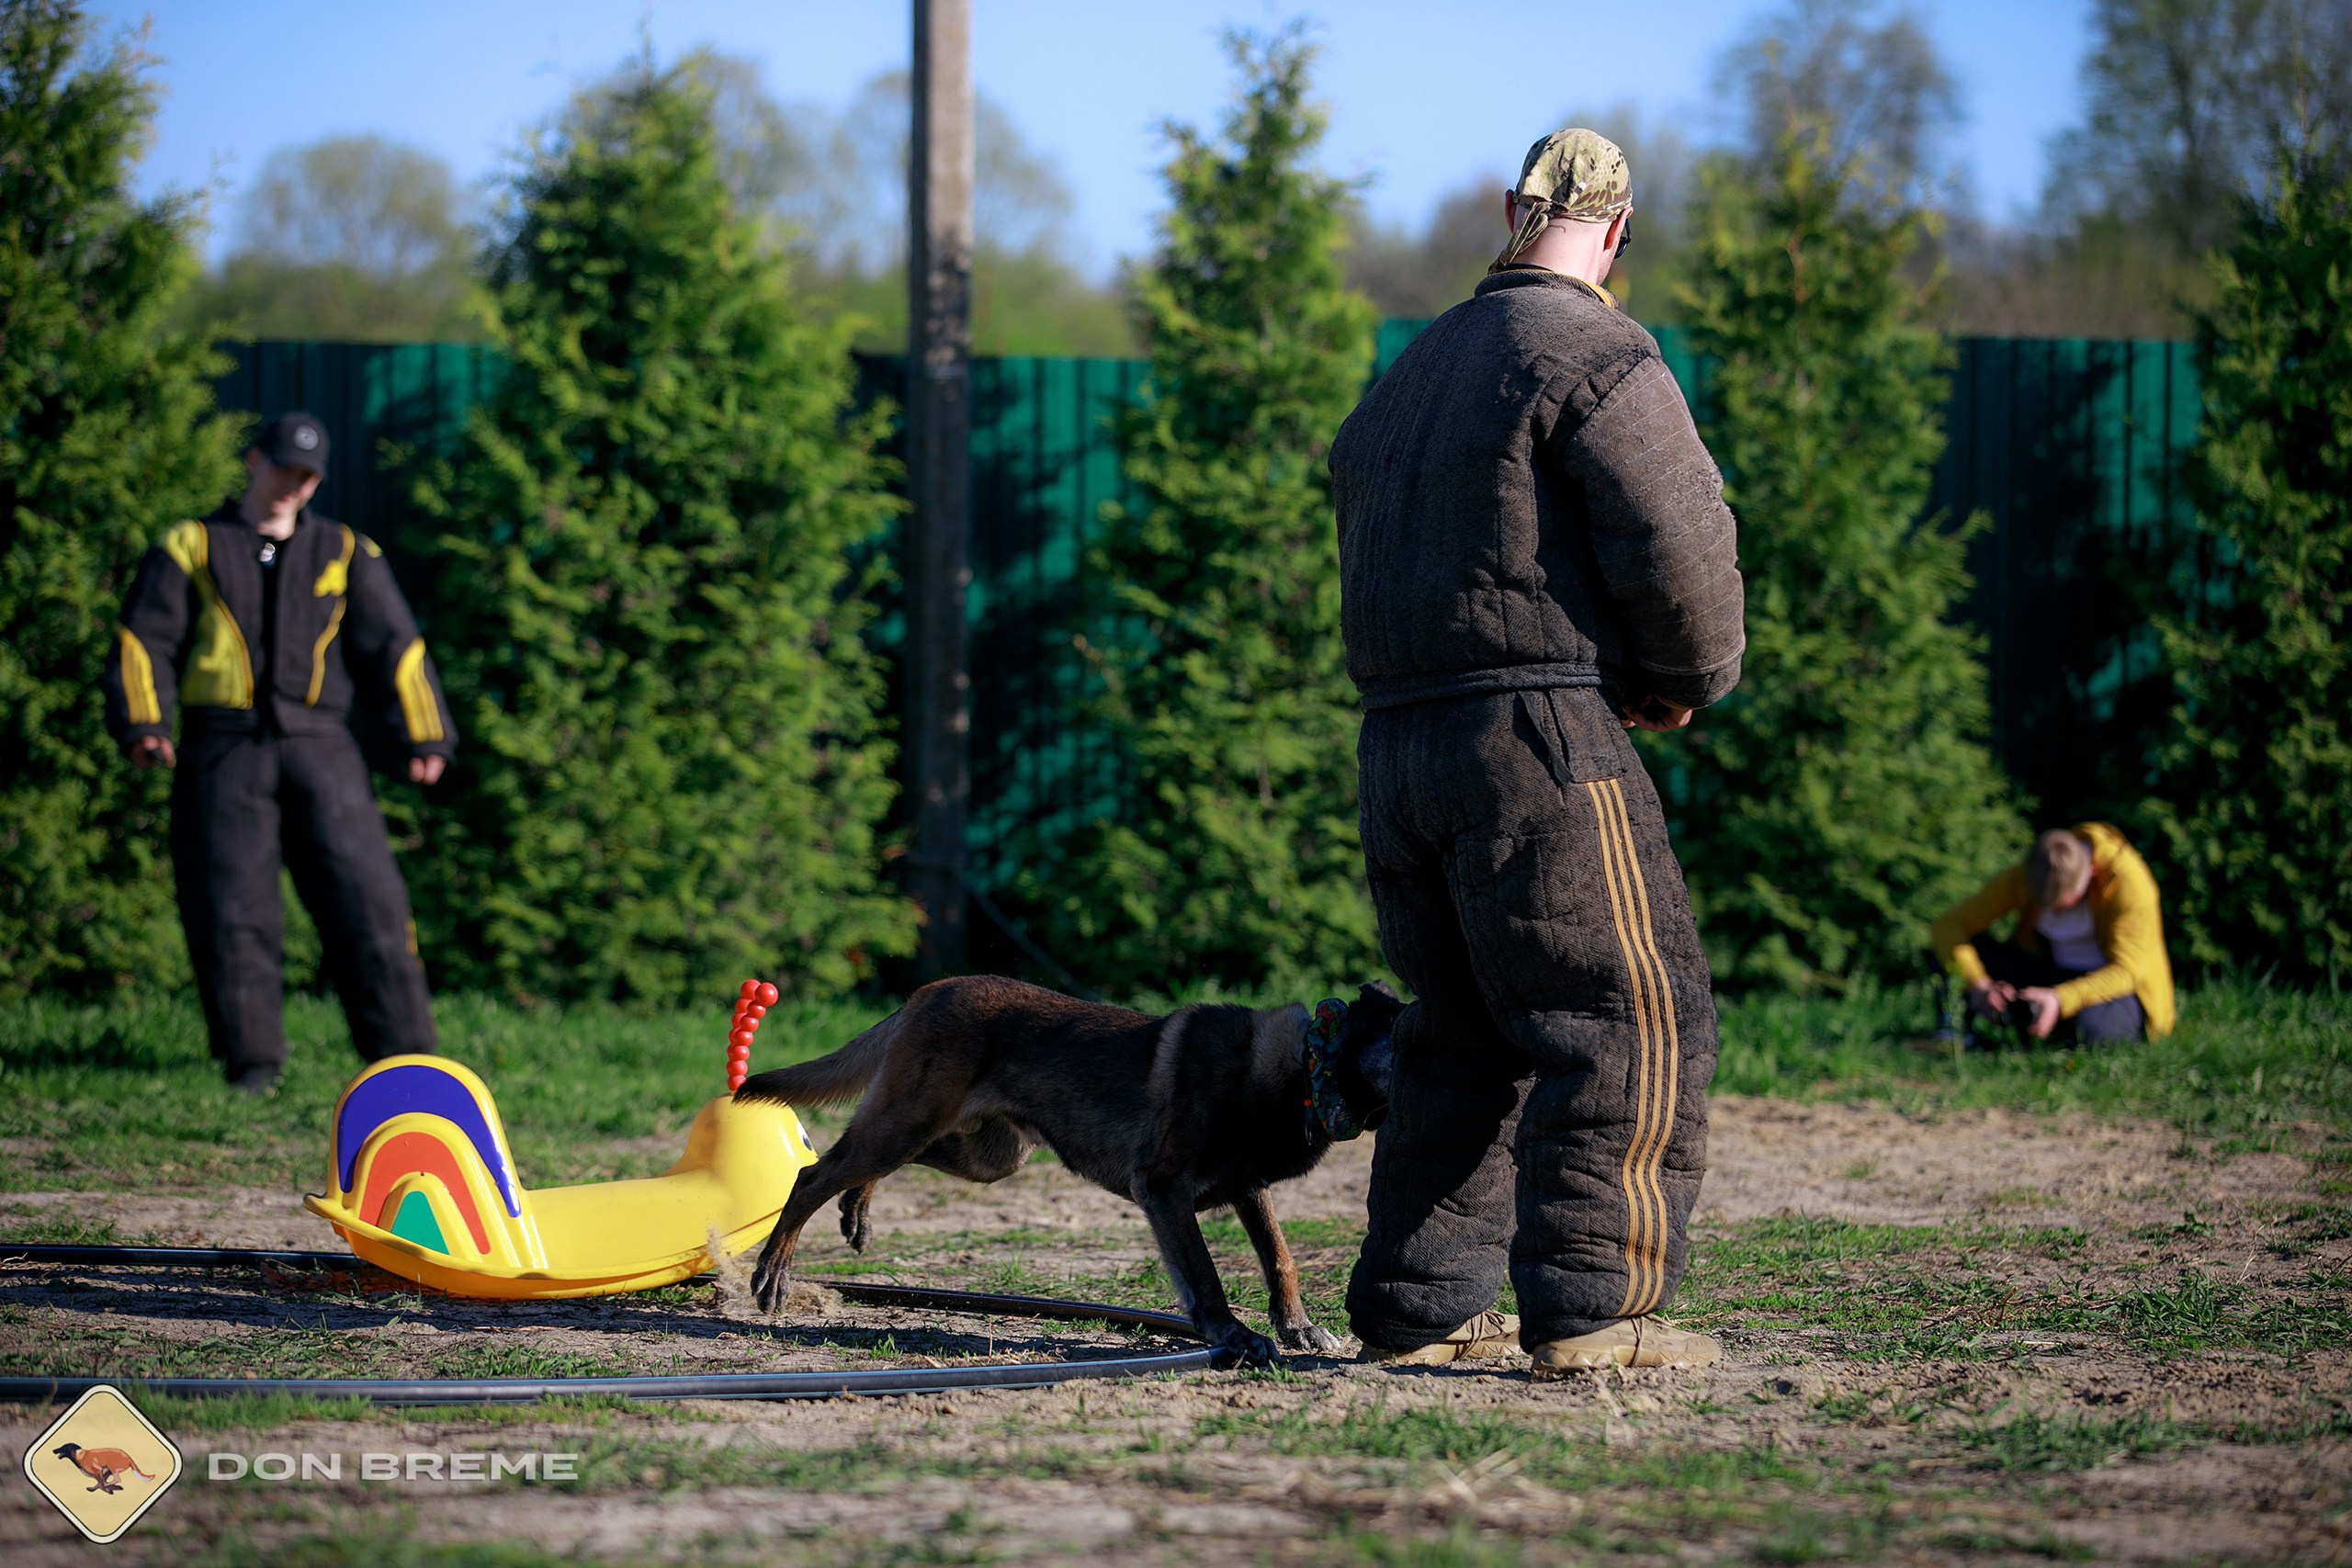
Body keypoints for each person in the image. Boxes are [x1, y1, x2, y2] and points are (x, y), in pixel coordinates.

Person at [1328, 130, 1747, 1376]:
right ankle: (1595, 1311)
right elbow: (1680, 541)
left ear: (1511, 208)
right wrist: (1683, 680)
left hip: (1397, 748)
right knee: (1629, 1012)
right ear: (1617, 230)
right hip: (1536, 738)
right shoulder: (1598, 354)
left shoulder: (1410, 372)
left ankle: (1418, 1308)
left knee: (1462, 1030)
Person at [102, 412, 457, 1094]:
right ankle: (252, 1065)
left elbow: (396, 647)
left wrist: (425, 733)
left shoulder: (346, 550)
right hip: (222, 748)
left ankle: (408, 1065)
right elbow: (144, 639)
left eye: (308, 476)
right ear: (255, 462)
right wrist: (145, 722)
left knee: (371, 901)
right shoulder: (191, 544)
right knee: (232, 907)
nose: (294, 485)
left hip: (323, 747)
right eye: (284, 469)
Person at [1931, 824, 2175, 1044]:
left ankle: (2040, 1029)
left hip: (2111, 989)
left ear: (2091, 873)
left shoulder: (2127, 883)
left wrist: (2060, 999)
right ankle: (1956, 1034)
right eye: (2044, 904)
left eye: (2063, 905)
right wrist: (1979, 985)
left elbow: (2127, 971)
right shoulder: (2025, 877)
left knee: (2092, 1029)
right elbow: (1947, 926)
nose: (2053, 912)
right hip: (2048, 972)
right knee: (1954, 951)